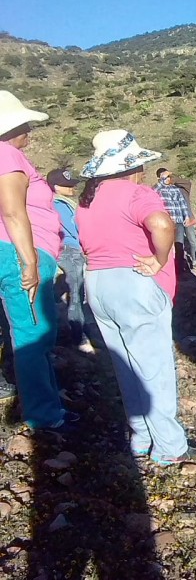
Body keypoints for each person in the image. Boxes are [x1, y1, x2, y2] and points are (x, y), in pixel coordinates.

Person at [78, 129, 196, 464]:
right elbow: (162, 224)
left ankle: (141, 437)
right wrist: (160, 259)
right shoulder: (135, 193)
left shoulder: (89, 199)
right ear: (130, 167)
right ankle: (170, 447)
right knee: (154, 367)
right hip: (134, 281)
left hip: (98, 284)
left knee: (125, 365)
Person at [0, 91, 71, 428]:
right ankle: (44, 416)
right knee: (31, 334)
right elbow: (13, 212)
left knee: (32, 332)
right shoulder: (6, 156)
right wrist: (28, 261)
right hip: (19, 251)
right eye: (24, 122)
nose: (29, 127)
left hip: (19, 250)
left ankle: (47, 405)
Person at [46, 168, 94, 353]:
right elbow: (74, 229)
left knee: (70, 294)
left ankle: (74, 333)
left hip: (63, 250)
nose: (73, 188)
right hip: (70, 251)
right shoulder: (59, 204)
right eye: (68, 185)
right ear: (57, 187)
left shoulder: (54, 203)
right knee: (76, 295)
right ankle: (80, 338)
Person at [154, 168, 194, 275]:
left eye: (168, 177)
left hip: (178, 221)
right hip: (167, 222)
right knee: (167, 246)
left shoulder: (175, 188)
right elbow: (154, 191)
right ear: (159, 178)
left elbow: (182, 203)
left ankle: (179, 269)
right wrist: (162, 180)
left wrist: (186, 216)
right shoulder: (157, 189)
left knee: (179, 245)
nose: (168, 179)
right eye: (165, 177)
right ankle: (168, 268)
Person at [172, 174, 196, 270]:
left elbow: (187, 182)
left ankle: (195, 260)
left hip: (188, 217)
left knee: (192, 240)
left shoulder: (184, 189)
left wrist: (172, 178)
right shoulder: (169, 191)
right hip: (177, 219)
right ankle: (181, 264)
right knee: (179, 242)